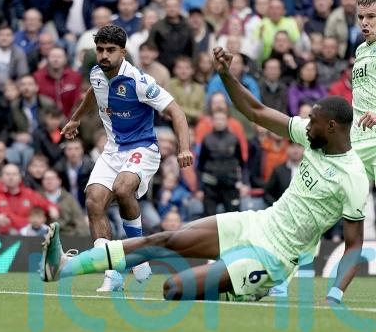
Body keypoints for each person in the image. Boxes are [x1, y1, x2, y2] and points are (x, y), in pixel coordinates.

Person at [42, 47, 368, 305]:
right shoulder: (311, 137)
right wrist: (226, 75)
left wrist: (335, 295)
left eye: (312, 123)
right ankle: (63, 268)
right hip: (255, 224)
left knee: (173, 289)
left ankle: (247, 287)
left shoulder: (353, 176)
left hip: (274, 256)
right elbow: (255, 110)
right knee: (165, 240)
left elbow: (353, 245)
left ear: (332, 127)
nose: (305, 126)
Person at [61, 25, 193, 292]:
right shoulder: (97, 73)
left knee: (122, 189)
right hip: (113, 150)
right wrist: (75, 118)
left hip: (143, 148)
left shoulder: (139, 81)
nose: (104, 55)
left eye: (111, 50)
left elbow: (176, 112)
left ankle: (138, 253)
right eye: (100, 49)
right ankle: (112, 272)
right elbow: (93, 93)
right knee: (94, 201)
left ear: (123, 52)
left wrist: (184, 148)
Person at [0, 163, 58, 235]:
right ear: (1, 177)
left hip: (26, 237)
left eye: (14, 174)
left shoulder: (29, 194)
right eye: (7, 174)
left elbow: (46, 204)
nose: (11, 177)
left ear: (20, 177)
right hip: (3, 237)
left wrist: (51, 208)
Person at [349, 0, 376, 181]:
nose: (364, 22)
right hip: (358, 139)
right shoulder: (360, 49)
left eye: (371, 17)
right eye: (361, 17)